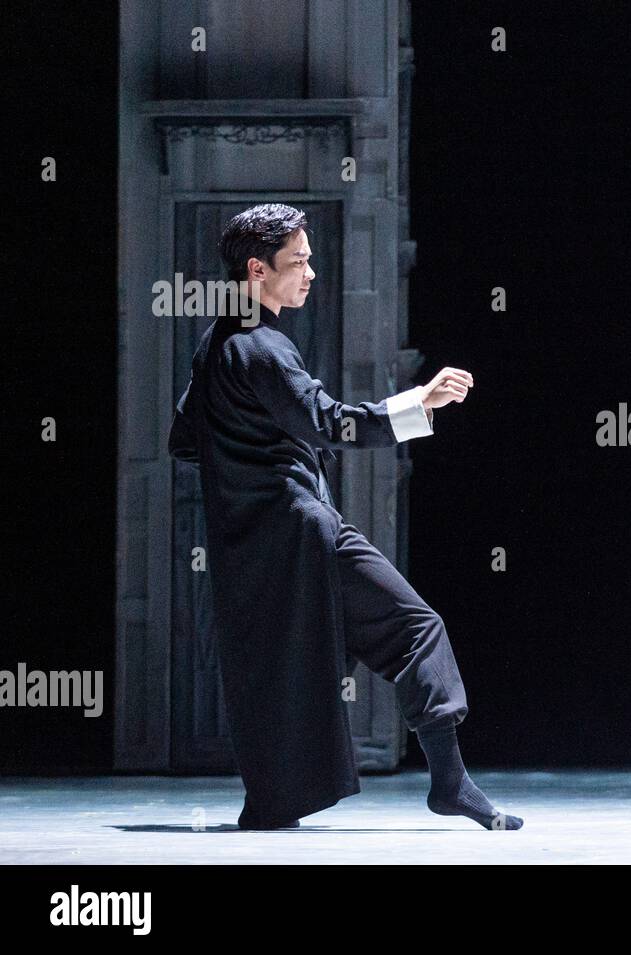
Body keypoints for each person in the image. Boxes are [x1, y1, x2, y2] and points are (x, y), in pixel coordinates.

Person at [168, 203, 521, 831]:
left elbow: (185, 439)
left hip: (251, 543)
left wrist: (243, 476)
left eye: (310, 259)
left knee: (292, 666)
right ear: (257, 270)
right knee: (417, 629)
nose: (310, 273)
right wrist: (420, 402)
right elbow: (332, 422)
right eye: (297, 262)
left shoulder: (216, 341)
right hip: (305, 530)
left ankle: (275, 802)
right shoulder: (263, 347)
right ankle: (450, 783)